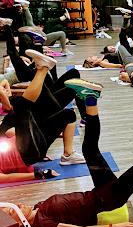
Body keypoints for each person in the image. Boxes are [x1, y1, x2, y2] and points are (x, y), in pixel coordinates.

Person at [1, 79, 133, 227]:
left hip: (99, 192)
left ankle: (90, 98)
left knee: (89, 148)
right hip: (109, 198)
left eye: (14, 205)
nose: (19, 204)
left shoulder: (37, 208)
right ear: (18, 223)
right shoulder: (42, 223)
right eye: (14, 210)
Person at [0, 51, 85, 183]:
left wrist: (30, 133)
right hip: (26, 153)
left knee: (69, 115)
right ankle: (41, 68)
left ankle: (68, 154)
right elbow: (4, 178)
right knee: (20, 104)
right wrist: (39, 174)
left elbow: (12, 133)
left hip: (33, 143)